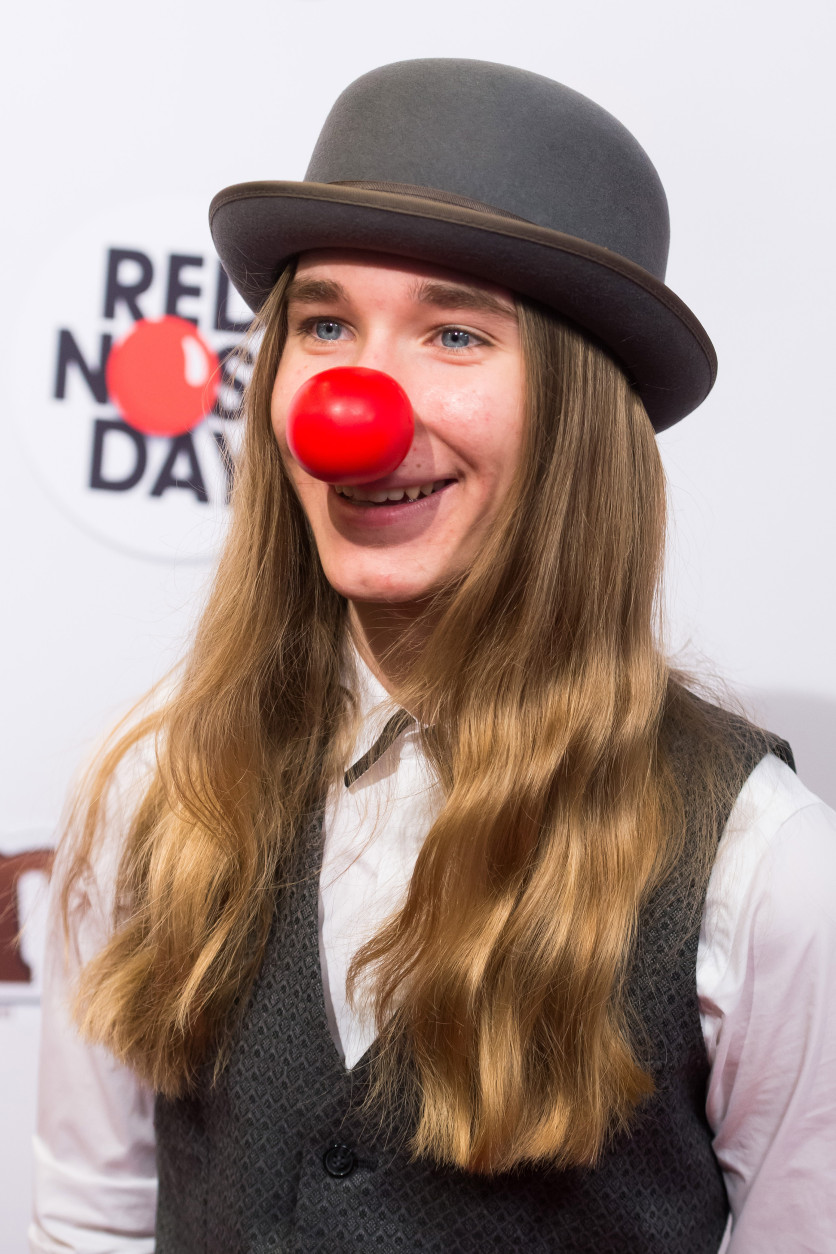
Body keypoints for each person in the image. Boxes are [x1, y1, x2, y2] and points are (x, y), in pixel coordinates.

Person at [31, 59, 836, 1253]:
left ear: (574, 424)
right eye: (325, 325)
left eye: (454, 332)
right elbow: (86, 1224)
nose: (357, 397)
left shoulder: (765, 870)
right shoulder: (157, 794)